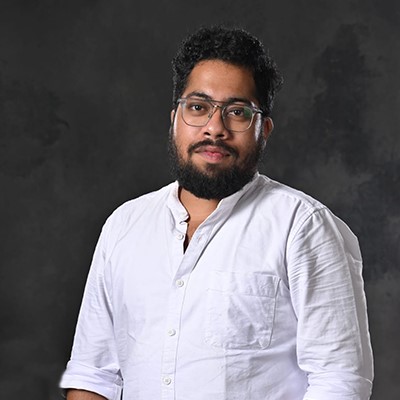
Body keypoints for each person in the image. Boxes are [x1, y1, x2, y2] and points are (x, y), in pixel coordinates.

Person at [60, 25, 374, 400]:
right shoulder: (124, 226)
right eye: (198, 107)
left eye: (237, 112)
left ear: (264, 130)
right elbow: (93, 375)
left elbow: (338, 381)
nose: (214, 128)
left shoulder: (302, 227)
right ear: (174, 118)